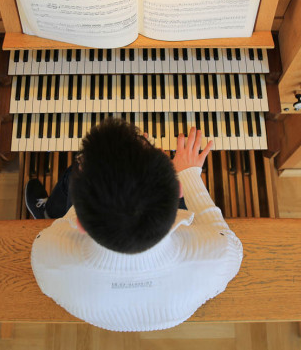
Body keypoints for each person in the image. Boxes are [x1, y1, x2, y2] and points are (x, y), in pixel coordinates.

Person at [25, 118, 243, 332]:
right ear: (178, 190)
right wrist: (188, 173)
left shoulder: (48, 259)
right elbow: (225, 235)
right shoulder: (219, 257)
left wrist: (101, 170)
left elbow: (68, 220)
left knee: (74, 173)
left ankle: (47, 212)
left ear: (80, 224)